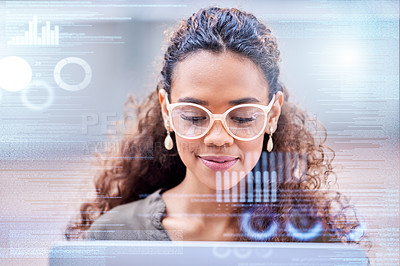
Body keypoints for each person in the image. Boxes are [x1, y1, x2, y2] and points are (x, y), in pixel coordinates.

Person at [66, 7, 362, 243]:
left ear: (271, 116)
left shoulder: (310, 239)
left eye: (243, 117)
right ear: (167, 112)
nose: (218, 138)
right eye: (194, 117)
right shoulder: (116, 236)